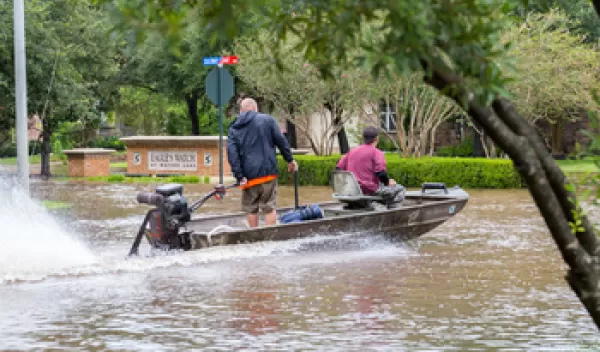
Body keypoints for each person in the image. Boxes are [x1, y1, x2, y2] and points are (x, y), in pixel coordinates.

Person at [227, 98, 298, 227]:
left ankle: (255, 239)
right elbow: (281, 141)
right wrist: (290, 160)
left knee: (251, 208)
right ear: (256, 109)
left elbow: (232, 154)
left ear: (241, 111)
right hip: (267, 173)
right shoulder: (267, 120)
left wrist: (239, 176)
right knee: (269, 207)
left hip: (248, 177)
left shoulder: (234, 127)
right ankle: (269, 240)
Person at [336, 126, 404, 208]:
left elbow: (338, 169)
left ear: (363, 138)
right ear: (377, 139)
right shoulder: (377, 152)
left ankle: (360, 205)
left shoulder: (351, 151)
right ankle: (392, 212)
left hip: (352, 190)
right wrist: (388, 182)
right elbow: (381, 173)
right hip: (369, 190)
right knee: (400, 189)